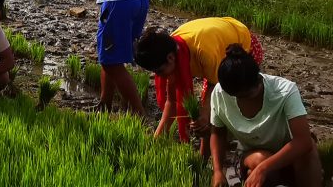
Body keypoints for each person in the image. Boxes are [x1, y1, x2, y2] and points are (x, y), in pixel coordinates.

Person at [133, 18, 264, 147]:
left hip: (241, 41)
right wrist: (157, 139)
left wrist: (205, 114)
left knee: (231, 98)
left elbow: (215, 85)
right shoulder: (169, 47)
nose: (158, 76)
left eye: (159, 71)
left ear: (171, 58)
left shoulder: (205, 53)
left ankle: (244, 137)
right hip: (214, 38)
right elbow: (172, 101)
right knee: (206, 111)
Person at [209, 45, 321, 187]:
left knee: (308, 151)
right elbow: (217, 133)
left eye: (247, 95)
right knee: (261, 160)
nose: (242, 100)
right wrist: (217, 171)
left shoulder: (285, 91)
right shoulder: (220, 93)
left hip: (288, 155)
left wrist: (263, 169)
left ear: (257, 81)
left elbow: (303, 140)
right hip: (252, 155)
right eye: (236, 96)